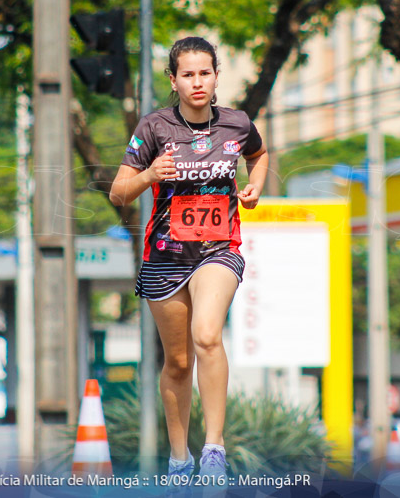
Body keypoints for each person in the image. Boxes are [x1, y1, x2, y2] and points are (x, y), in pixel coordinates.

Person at [110, 37, 268, 483]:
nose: (197, 82)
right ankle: (179, 460)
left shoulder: (237, 124)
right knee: (177, 362)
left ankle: (214, 449)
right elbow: (117, 193)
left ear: (217, 76)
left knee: (207, 336)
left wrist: (255, 186)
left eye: (205, 73)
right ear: (173, 80)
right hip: (165, 256)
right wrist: (149, 174)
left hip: (220, 250)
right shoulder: (154, 127)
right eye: (187, 74)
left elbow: (258, 154)